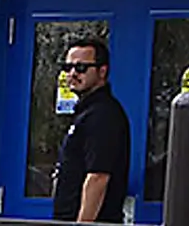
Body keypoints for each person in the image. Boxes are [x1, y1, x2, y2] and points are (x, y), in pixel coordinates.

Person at [52, 37, 130, 223]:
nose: (72, 73)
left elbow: (98, 177)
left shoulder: (102, 115)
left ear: (102, 71)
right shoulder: (85, 113)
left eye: (81, 68)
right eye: (67, 67)